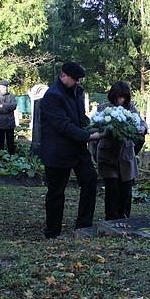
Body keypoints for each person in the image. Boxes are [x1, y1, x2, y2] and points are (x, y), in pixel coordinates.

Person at [39, 61, 101, 238]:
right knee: (56, 192)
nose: (78, 82)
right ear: (63, 75)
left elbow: (80, 118)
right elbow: (62, 125)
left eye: (79, 79)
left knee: (90, 180)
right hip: (57, 150)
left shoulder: (76, 92)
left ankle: (83, 225)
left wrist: (94, 125)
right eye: (75, 79)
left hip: (77, 148)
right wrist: (88, 136)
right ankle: (52, 231)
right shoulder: (52, 96)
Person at [95, 81, 146, 220]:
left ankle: (124, 216)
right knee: (112, 188)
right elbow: (96, 124)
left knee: (126, 188)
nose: (121, 100)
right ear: (113, 95)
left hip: (126, 154)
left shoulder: (131, 109)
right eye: (118, 97)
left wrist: (142, 128)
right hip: (108, 153)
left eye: (123, 97)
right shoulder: (104, 108)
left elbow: (141, 122)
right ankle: (111, 217)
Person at [0, 79, 17, 154]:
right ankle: (0, 157)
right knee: (0, 143)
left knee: (10, 143)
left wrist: (3, 105)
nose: (4, 88)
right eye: (3, 86)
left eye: (6, 86)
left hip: (9, 123)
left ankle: (12, 157)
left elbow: (14, 106)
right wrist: (8, 109)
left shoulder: (11, 96)